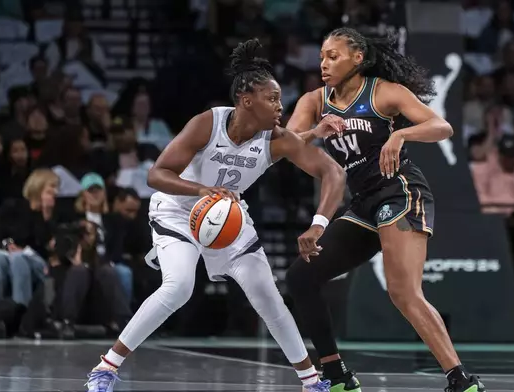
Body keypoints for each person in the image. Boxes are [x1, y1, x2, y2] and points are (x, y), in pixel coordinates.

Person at [85, 39, 347, 392]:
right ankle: (106, 368)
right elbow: (156, 175)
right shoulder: (207, 124)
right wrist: (200, 190)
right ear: (246, 99)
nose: (279, 105)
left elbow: (334, 173)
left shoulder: (278, 138)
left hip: (227, 217)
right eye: (272, 98)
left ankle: (312, 381)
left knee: (268, 295)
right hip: (178, 211)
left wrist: (318, 225)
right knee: (179, 287)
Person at [285, 27, 486, 392]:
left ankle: (461, 380)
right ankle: (337, 375)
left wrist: (400, 134)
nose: (324, 64)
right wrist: (316, 131)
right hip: (364, 201)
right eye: (321, 57)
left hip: (401, 191)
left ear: (357, 58)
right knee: (301, 277)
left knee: (402, 291)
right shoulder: (315, 101)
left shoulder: (382, 92)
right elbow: (284, 142)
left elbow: (441, 126)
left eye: (333, 56)